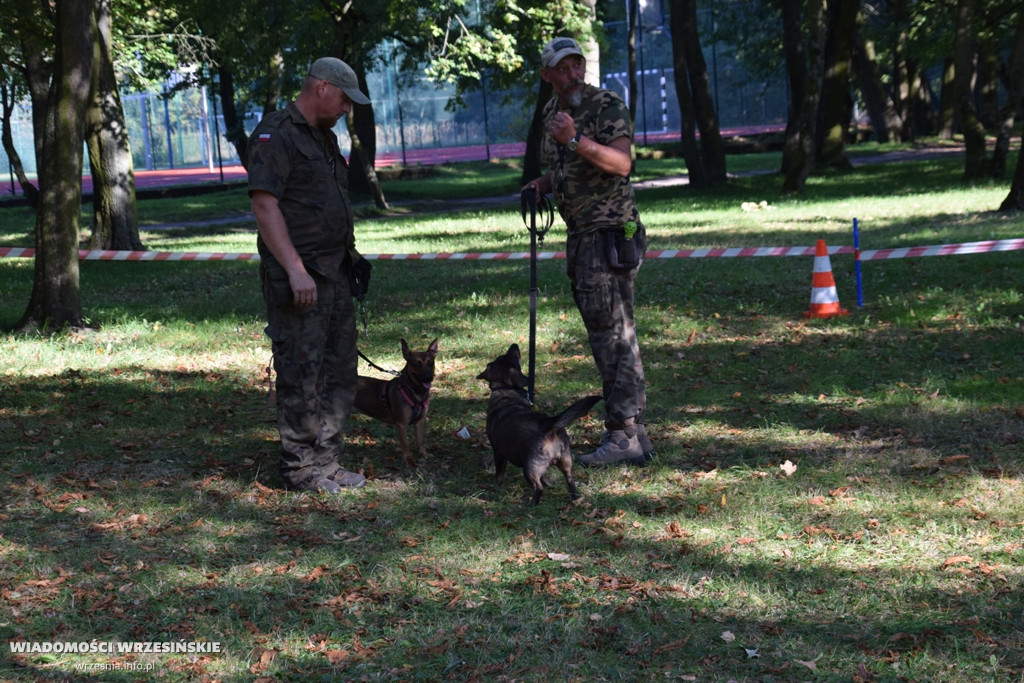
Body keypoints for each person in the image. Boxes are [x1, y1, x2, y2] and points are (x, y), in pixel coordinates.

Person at [522, 37, 654, 467]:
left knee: (614, 334)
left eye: (578, 64)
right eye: (563, 68)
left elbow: (621, 164)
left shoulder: (605, 104)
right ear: (547, 75)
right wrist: (542, 184)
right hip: (580, 235)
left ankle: (625, 432)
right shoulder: (550, 113)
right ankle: (634, 433)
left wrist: (575, 138)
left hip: (611, 233)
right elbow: (564, 167)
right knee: (609, 333)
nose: (574, 73)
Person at [244, 57, 371, 492]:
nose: (346, 109)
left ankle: (328, 461)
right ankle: (299, 468)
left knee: (339, 370)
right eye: (343, 99)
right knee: (302, 371)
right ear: (321, 88)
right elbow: (265, 204)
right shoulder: (275, 134)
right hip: (301, 278)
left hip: (335, 272)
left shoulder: (324, 138)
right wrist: (296, 270)